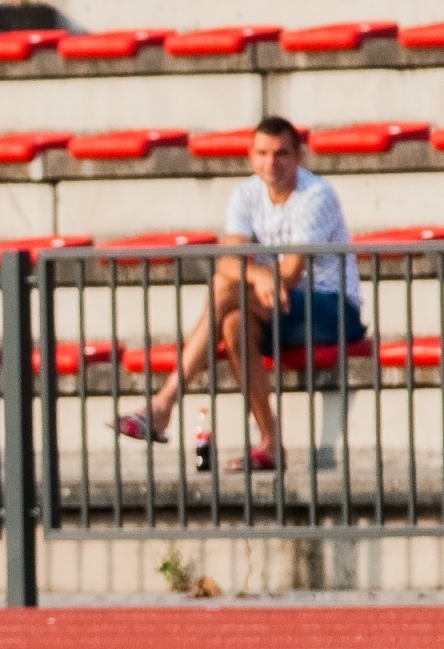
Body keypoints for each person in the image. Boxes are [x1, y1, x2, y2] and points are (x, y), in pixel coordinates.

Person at [113, 115, 365, 471]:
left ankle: (163, 404)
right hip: (272, 305)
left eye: (281, 154)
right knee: (232, 324)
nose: (271, 163)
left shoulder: (315, 194)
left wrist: (257, 276)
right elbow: (228, 263)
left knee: (222, 291)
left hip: (331, 307)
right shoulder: (246, 194)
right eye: (262, 153)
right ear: (250, 156)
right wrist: (259, 275)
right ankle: (270, 443)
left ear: (299, 157)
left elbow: (291, 274)